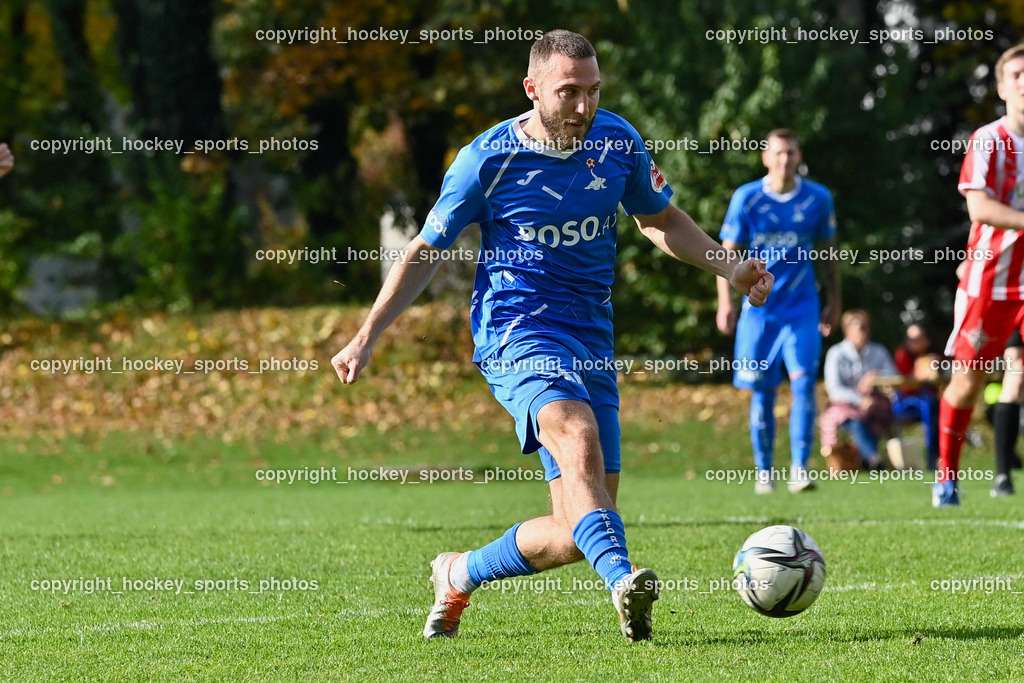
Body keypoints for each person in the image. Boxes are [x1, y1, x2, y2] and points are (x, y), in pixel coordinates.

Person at [330, 30, 773, 642]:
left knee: (579, 528)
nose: (584, 107)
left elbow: (658, 217)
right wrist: (366, 334)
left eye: (593, 91)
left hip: (592, 340)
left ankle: (458, 571)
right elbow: (426, 250)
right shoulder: (485, 160)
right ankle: (623, 581)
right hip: (517, 333)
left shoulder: (617, 141)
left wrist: (728, 264)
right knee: (574, 429)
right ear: (533, 89)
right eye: (569, 93)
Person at [716, 129, 841, 494]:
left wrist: (835, 300)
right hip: (759, 311)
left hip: (802, 308)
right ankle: (764, 471)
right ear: (766, 158)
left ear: (799, 157)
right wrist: (726, 302)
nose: (785, 160)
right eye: (778, 153)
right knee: (762, 391)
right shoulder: (748, 198)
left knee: (804, 385)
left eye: (791, 153)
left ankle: (800, 469)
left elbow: (830, 252)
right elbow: (726, 253)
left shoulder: (818, 198)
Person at [935, 42, 1024, 507]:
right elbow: (979, 206)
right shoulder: (989, 140)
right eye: (1018, 74)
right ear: (1002, 86)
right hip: (992, 280)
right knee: (969, 380)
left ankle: (1006, 475)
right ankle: (946, 476)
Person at [821, 310, 903, 470]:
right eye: (860, 327)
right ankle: (874, 459)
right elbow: (834, 389)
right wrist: (859, 400)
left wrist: (876, 377)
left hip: (874, 405)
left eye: (866, 327)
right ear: (847, 330)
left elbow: (894, 376)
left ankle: (869, 459)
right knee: (856, 423)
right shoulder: (836, 354)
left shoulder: (877, 351)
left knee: (881, 417)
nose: (865, 332)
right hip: (845, 406)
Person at [891, 322, 941, 469]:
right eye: (910, 339)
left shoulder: (935, 356)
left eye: (918, 339)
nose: (913, 343)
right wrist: (921, 370)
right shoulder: (903, 355)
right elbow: (905, 382)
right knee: (930, 406)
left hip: (932, 403)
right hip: (908, 403)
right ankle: (932, 459)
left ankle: (941, 458)